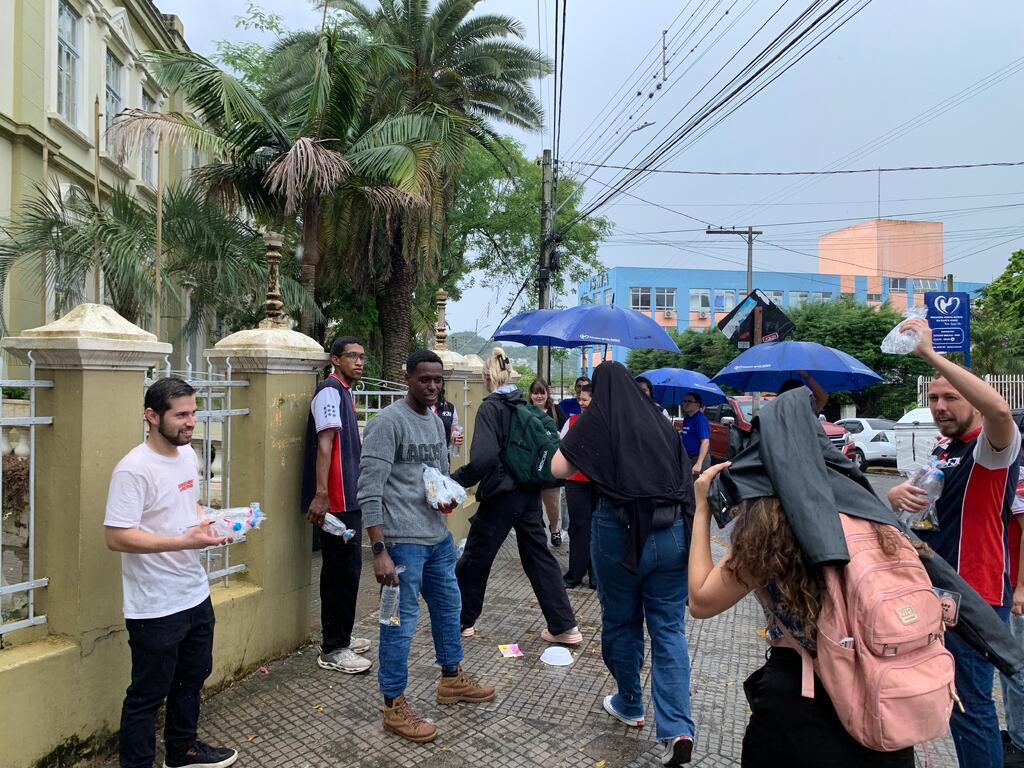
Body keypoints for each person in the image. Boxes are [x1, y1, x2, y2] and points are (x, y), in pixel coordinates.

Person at [688, 462, 915, 768]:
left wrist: (702, 508)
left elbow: (701, 601)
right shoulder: (871, 512)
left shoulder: (771, 525)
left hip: (802, 705)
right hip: (888, 707)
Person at [886, 317, 1021, 768]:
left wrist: (926, 353)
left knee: (972, 706)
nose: (940, 406)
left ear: (974, 404)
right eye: (934, 399)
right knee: (950, 699)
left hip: (976, 592)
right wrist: (895, 495)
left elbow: (1001, 412)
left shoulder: (992, 446)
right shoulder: (943, 450)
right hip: (937, 589)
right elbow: (920, 508)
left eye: (951, 398)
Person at [552, 361, 696, 767]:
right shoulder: (659, 419)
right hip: (672, 535)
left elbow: (557, 468)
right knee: (668, 629)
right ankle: (678, 729)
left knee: (621, 620)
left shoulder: (599, 418)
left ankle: (630, 703)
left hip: (619, 533)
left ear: (599, 390)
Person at [357, 350, 495, 743]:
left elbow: (433, 475)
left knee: (451, 609)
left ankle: (451, 679)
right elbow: (369, 489)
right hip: (401, 545)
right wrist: (378, 549)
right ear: (408, 379)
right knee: (399, 625)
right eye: (425, 380)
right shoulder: (388, 423)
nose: (433, 387)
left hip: (436, 539)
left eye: (438, 380)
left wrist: (445, 496)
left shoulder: (435, 421)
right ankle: (393, 705)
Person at [104, 377, 238, 768]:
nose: (190, 422)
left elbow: (187, 508)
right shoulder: (133, 469)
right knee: (148, 694)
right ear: (151, 416)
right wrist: (185, 543)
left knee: (193, 676)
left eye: (193, 413)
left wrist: (215, 524)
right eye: (181, 415)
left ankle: (183, 750)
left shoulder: (188, 456)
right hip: (154, 603)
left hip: (193, 591)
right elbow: (117, 537)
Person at [453, 347, 583, 645]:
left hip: (502, 494)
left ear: (487, 377)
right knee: (538, 556)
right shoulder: (523, 405)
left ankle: (461, 621)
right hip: (529, 493)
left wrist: (458, 480)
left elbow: (484, 458)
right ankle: (565, 626)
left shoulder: (491, 407)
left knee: (475, 556)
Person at [301, 336, 373, 676]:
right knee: (339, 572)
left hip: (350, 497)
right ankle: (333, 648)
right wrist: (320, 493)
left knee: (349, 570)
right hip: (337, 501)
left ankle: (342, 635)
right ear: (335, 359)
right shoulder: (329, 392)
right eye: (352, 356)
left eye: (362, 357)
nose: (359, 362)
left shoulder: (345, 392)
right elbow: (324, 445)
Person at [560, 384, 596, 589]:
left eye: (585, 400)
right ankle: (575, 573)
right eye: (580, 399)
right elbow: (562, 447)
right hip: (575, 481)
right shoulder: (572, 421)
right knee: (578, 527)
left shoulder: (606, 422)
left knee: (595, 528)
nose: (580, 403)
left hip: (598, 483)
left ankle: (595, 574)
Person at [1001, 479, 1024, 767]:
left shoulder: (1018, 480)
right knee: (1008, 671)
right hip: (1006, 588)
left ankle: (1020, 745)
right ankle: (1015, 735)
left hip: (1016, 593)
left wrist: (1021, 588)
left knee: (1016, 672)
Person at [528, 377, 566, 546]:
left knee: (552, 503)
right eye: (535, 393)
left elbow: (567, 433)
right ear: (530, 395)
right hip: (531, 463)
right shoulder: (524, 411)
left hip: (551, 464)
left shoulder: (556, 411)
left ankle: (555, 528)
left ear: (547, 394)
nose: (539, 396)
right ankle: (537, 532)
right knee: (532, 502)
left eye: (541, 393)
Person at [679, 392, 711, 474]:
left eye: (689, 401)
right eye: (684, 401)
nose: (685, 403)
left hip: (698, 458)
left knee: (696, 486)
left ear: (697, 404)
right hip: (688, 458)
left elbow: (705, 441)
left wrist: (699, 463)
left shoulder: (700, 419)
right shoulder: (687, 418)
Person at [434, 382, 464, 455]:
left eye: (437, 381)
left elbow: (453, 430)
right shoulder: (419, 407)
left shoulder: (450, 407)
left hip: (443, 457)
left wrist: (455, 439)